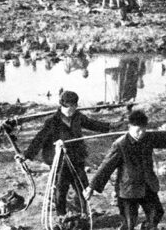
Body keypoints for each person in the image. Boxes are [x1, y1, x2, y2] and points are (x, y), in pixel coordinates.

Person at [20, 90, 113, 219]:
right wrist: (27, 155)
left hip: (77, 157)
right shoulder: (53, 121)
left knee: (82, 186)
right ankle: (61, 216)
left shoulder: (78, 117)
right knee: (61, 189)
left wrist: (109, 126)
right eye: (69, 108)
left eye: (74, 107)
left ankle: (84, 213)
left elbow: (92, 124)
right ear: (62, 106)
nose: (72, 110)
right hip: (60, 161)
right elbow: (39, 139)